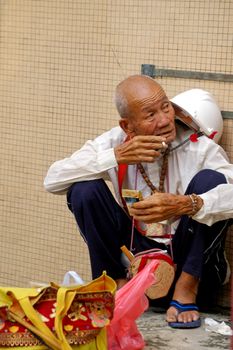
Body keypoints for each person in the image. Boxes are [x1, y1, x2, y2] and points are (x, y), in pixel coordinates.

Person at [44, 75, 233, 329]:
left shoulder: (198, 148)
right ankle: (113, 285)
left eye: (166, 107)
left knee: (211, 182)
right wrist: (114, 157)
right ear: (127, 126)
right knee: (83, 189)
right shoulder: (115, 143)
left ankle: (186, 287)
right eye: (150, 114)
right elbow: (52, 179)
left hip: (189, 260)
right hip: (135, 259)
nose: (165, 120)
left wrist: (189, 204)